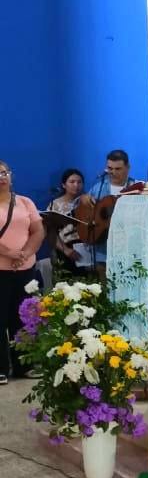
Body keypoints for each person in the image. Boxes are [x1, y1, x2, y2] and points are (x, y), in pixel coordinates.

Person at [0, 161, 44, 385]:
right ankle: (1, 368)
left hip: (24, 269)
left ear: (11, 175)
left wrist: (24, 253)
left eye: (4, 172)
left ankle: (23, 365)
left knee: (23, 317)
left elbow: (37, 231)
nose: (1, 177)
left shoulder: (25, 202)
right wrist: (8, 253)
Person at [88, 149, 132, 271]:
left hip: (129, 251)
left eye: (118, 169)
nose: (113, 172)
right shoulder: (98, 188)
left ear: (128, 168)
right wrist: (84, 199)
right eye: (110, 168)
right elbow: (85, 211)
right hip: (103, 253)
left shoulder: (137, 188)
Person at [48, 168, 93, 279]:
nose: (76, 185)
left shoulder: (89, 201)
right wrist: (66, 250)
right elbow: (50, 232)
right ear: (64, 185)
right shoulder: (55, 205)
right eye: (72, 182)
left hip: (87, 249)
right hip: (65, 250)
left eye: (79, 182)